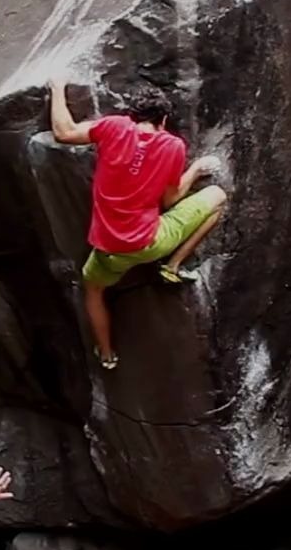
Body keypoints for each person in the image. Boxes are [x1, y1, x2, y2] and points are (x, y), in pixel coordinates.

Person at [48, 78, 227, 370]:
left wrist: (57, 89)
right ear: (164, 119)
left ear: (132, 116)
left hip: (108, 250)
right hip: (149, 242)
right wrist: (196, 169)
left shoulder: (114, 127)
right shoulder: (173, 146)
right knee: (217, 198)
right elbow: (170, 200)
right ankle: (172, 266)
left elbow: (64, 132)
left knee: (93, 291)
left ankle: (107, 355)